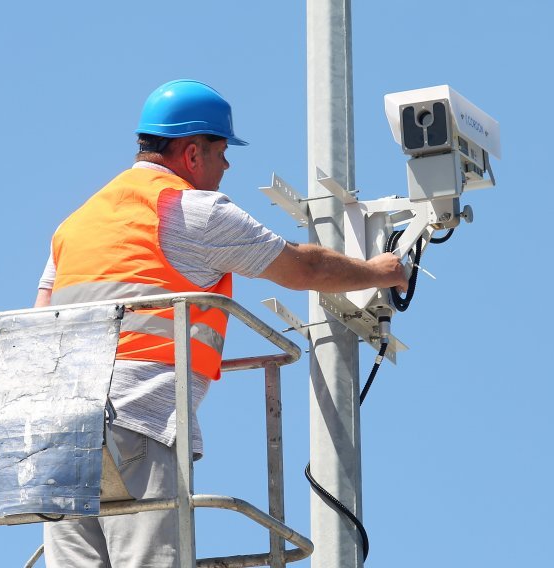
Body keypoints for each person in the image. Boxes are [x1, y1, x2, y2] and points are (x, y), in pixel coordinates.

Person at [34, 79, 407, 567]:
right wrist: (382, 270)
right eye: (222, 151)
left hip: (58, 427)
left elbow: (42, 314)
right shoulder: (191, 211)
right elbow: (304, 268)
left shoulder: (78, 222)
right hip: (137, 418)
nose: (227, 165)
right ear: (192, 154)